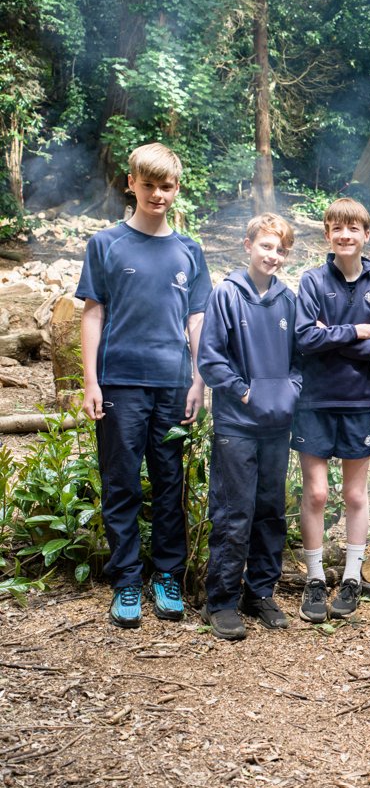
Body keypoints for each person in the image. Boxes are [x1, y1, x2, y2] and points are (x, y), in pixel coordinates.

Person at [77, 142, 211, 628]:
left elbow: (198, 320)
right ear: (131, 184)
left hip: (174, 384)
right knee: (122, 482)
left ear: (177, 189)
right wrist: (90, 380)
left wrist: (200, 380)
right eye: (149, 185)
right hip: (119, 383)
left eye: (167, 186)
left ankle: (168, 576)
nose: (158, 194)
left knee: (170, 482)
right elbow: (93, 313)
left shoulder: (189, 250)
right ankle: (127, 580)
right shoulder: (105, 244)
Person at [197, 213, 300, 640]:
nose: (273, 256)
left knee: (270, 510)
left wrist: (291, 390)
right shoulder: (226, 294)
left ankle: (260, 592)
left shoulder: (289, 300)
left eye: (280, 250)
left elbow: (300, 357)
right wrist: (243, 392)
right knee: (234, 510)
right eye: (266, 246)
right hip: (237, 423)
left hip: (276, 424)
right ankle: (220, 600)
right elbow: (210, 355)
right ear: (248, 245)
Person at [293, 197, 370, 623]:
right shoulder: (313, 281)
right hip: (314, 400)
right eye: (337, 228)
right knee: (316, 493)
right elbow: (303, 339)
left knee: (355, 494)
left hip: (356, 400)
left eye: (353, 229)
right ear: (328, 235)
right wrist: (355, 331)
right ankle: (315, 578)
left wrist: (329, 336)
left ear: (366, 235)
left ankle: (351, 576)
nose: (345, 235)